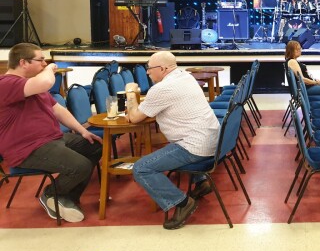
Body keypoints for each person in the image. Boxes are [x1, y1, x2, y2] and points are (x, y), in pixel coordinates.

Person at [0, 43, 102, 222]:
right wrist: (50, 68)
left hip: (52, 139)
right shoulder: (6, 83)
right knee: (81, 166)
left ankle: (65, 198)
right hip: (28, 148)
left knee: (94, 147)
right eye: (40, 60)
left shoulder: (32, 86)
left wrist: (82, 131)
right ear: (23, 62)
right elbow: (46, 81)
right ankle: (50, 195)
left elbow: (58, 110)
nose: (44, 64)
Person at [126, 51, 220, 230]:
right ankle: (200, 182)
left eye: (149, 68)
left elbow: (135, 117)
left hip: (195, 147)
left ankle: (182, 202)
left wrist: (130, 93)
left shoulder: (161, 89)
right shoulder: (186, 77)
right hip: (212, 141)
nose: (147, 72)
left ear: (162, 69)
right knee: (176, 138)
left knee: (141, 168)